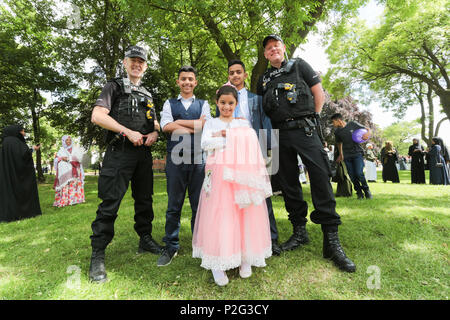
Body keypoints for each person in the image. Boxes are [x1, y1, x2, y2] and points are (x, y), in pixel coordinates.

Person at [257, 34, 355, 272]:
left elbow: (318, 93)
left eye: (276, 46)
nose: (273, 50)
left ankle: (331, 241)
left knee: (320, 178)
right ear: (265, 54)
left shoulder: (300, 65)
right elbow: (260, 110)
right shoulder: (263, 79)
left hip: (305, 130)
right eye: (268, 48)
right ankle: (299, 232)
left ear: (283, 48)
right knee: (289, 183)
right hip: (280, 134)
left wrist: (312, 118)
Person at [89, 45, 163, 283]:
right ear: (125, 62)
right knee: (110, 202)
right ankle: (98, 253)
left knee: (145, 200)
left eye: (141, 62)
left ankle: (145, 239)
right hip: (119, 152)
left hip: (143, 155)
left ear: (146, 66)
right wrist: (127, 131)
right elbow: (98, 115)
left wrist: (155, 134)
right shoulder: (114, 86)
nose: (137, 64)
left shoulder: (148, 94)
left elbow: (155, 124)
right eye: (133, 60)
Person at [193, 84, 272, 286]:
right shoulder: (211, 122)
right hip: (219, 173)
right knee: (221, 213)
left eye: (231, 103)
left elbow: (252, 141)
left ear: (236, 104)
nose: (226, 107)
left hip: (240, 176)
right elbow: (205, 144)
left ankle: (244, 256)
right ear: (216, 102)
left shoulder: (242, 123)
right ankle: (217, 262)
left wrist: (227, 136)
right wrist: (229, 141)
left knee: (243, 213)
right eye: (222, 103)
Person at [216, 59, 281, 255]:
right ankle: (238, 240)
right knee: (233, 196)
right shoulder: (222, 100)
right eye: (231, 73)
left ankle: (271, 238)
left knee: (260, 194)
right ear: (228, 76)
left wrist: (268, 149)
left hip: (252, 151)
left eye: (238, 72)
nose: (235, 75)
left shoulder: (256, 99)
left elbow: (264, 123)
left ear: (245, 75)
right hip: (230, 153)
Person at [157, 65, 212, 267]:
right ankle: (171, 246)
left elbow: (206, 125)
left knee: (199, 206)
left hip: (199, 160)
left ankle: (201, 244)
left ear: (195, 82)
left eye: (190, 79)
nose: (187, 82)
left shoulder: (204, 104)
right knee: (174, 206)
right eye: (183, 79)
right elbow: (166, 127)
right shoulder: (169, 103)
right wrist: (194, 124)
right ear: (178, 82)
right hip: (176, 160)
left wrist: (179, 123)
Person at [0, 125, 42, 222]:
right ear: (16, 132)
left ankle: (12, 213)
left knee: (11, 193)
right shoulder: (16, 142)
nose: (23, 133)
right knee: (20, 192)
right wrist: (33, 149)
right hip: (19, 175)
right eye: (22, 131)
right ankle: (25, 212)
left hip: (9, 175)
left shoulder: (5, 143)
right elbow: (24, 155)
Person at [331, 113, 373, 200]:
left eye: (333, 122)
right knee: (352, 176)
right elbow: (339, 143)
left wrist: (368, 133)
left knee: (359, 173)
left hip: (357, 153)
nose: (333, 124)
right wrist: (341, 154)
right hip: (346, 156)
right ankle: (359, 193)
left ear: (339, 120)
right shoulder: (337, 132)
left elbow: (368, 129)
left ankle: (367, 191)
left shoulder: (353, 124)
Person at [53, 135, 85, 207]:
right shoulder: (61, 150)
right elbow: (56, 160)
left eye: (70, 140)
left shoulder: (75, 149)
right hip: (64, 171)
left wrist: (67, 159)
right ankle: (65, 200)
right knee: (65, 185)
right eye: (67, 140)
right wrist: (61, 158)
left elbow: (78, 159)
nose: (69, 141)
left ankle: (74, 200)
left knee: (73, 184)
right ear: (63, 141)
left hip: (75, 170)